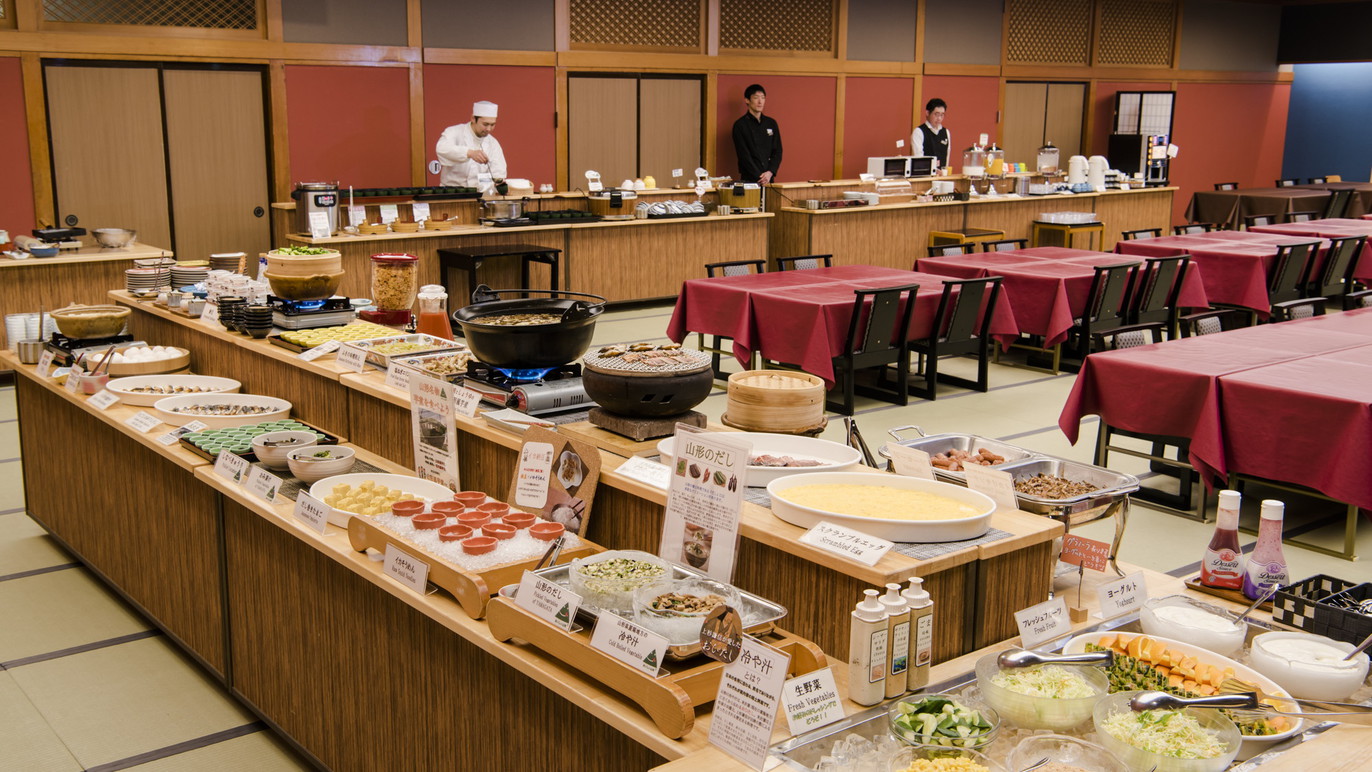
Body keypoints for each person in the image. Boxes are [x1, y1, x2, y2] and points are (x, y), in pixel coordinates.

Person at [435, 100, 507, 190]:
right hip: (451, 192)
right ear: (473, 118)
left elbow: (498, 172)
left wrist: (499, 183)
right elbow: (442, 148)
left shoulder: (493, 143)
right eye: (485, 124)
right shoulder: (454, 132)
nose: (489, 129)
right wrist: (469, 153)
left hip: (479, 194)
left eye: (492, 125)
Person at [731, 84, 782, 184]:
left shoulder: (771, 123)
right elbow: (743, 155)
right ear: (747, 100)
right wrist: (759, 176)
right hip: (749, 178)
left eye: (763, 98)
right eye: (756, 98)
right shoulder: (740, 125)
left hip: (769, 178)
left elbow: (777, 151)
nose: (760, 101)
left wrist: (770, 172)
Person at [910, 98, 950, 171]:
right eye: (936, 114)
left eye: (942, 115)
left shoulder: (946, 132)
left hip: (941, 177)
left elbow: (947, 156)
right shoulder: (919, 132)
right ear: (927, 113)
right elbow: (919, 158)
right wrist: (933, 170)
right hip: (925, 176)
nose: (939, 118)